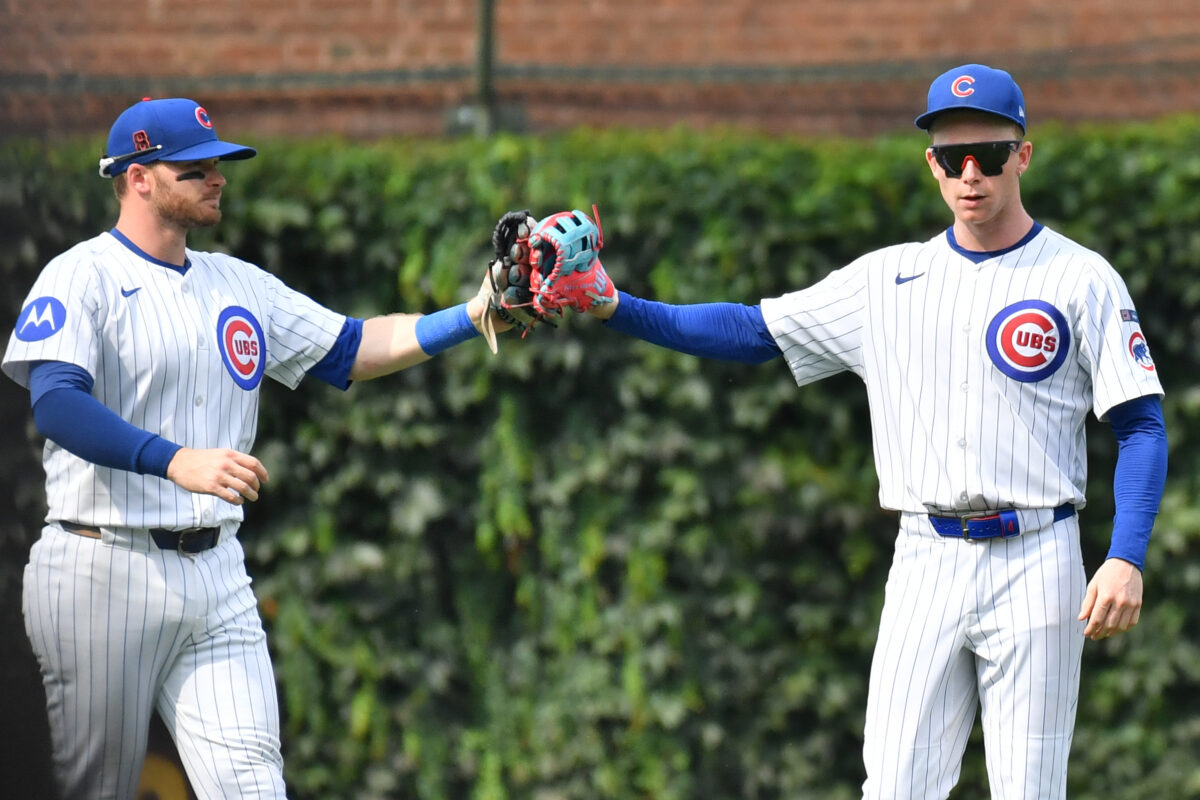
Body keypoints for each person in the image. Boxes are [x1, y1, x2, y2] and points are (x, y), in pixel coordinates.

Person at [551, 64, 1168, 798]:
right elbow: (753, 332)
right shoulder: (887, 281)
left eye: (991, 155)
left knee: (1031, 790)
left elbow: (1141, 425)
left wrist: (1126, 556)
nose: (971, 174)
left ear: (1023, 155)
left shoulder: (1081, 278)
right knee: (896, 787)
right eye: (951, 156)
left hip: (1040, 556)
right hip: (925, 558)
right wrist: (615, 305)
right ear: (931, 163)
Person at [2, 97, 509, 799]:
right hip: (101, 567)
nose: (217, 177)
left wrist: (472, 312)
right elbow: (56, 402)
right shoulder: (79, 275)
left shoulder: (236, 283)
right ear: (138, 177)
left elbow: (352, 348)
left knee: (253, 786)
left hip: (217, 576)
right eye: (195, 167)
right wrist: (175, 459)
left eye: (220, 164)